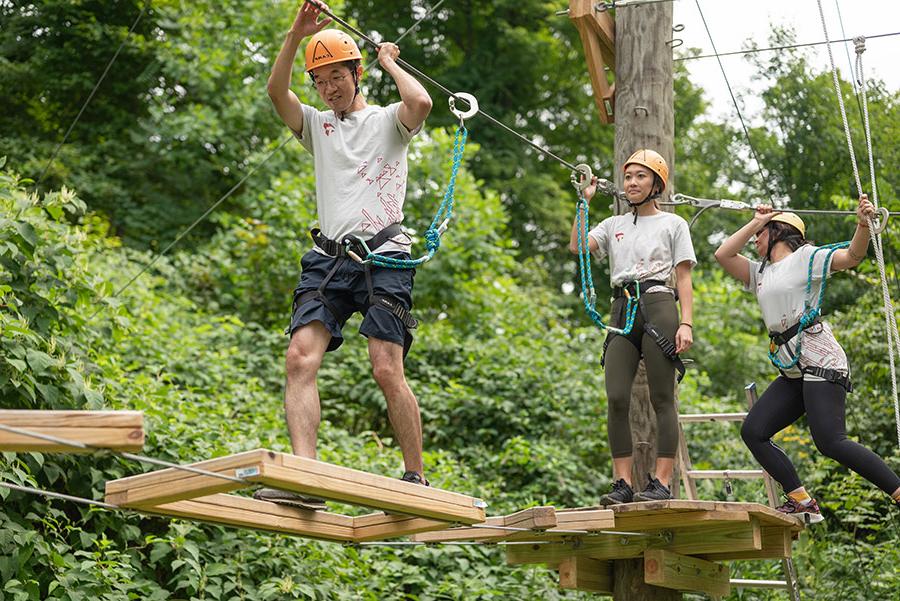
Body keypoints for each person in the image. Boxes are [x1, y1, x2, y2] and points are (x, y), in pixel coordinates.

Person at [254, 1, 433, 510]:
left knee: (385, 368)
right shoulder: (316, 126)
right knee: (298, 358)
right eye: (320, 81)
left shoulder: (386, 122)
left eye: (337, 76)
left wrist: (391, 61)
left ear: (358, 74)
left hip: (384, 258)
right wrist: (297, 33)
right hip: (329, 260)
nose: (329, 88)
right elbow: (275, 91)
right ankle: (306, 479)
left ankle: (414, 478)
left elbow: (420, 104)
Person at [714, 195, 900, 521]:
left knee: (830, 441)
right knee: (754, 430)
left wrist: (861, 225)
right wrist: (757, 220)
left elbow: (853, 256)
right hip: (794, 369)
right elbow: (723, 253)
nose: (755, 239)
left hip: (819, 358)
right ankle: (801, 500)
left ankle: (898, 490)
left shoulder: (806, 258)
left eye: (761, 233)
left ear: (780, 232)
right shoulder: (760, 273)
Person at [569, 149, 696, 505]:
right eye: (628, 177)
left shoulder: (674, 224)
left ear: (657, 183)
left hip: (658, 304)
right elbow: (577, 246)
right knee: (616, 397)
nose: (632, 183)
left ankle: (661, 482)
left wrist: (686, 322)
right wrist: (584, 202)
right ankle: (623, 483)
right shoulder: (613, 225)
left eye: (641, 176)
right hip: (622, 306)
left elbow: (683, 277)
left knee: (662, 397)